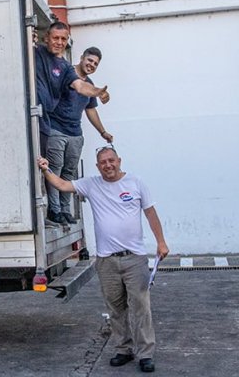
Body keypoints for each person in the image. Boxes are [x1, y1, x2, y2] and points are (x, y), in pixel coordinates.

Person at [37, 147, 169, 373]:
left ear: (119, 161)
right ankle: (123, 349)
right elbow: (62, 185)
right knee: (116, 308)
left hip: (134, 259)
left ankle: (145, 354)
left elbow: (150, 213)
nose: (108, 165)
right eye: (103, 163)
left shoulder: (136, 183)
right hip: (107, 261)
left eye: (111, 161)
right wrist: (46, 169)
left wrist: (161, 242)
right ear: (98, 167)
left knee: (141, 308)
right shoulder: (91, 184)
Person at [45, 47, 114, 225]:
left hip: (75, 133)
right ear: (82, 58)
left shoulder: (90, 83)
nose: (91, 65)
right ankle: (54, 210)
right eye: (89, 60)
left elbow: (90, 111)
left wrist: (103, 132)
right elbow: (77, 87)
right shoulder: (67, 72)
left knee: (69, 171)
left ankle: (65, 210)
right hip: (56, 129)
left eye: (95, 64)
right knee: (56, 167)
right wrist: (98, 91)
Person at [33, 22, 110, 157]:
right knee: (52, 171)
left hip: (57, 128)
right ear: (46, 38)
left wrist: (97, 92)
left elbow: (80, 87)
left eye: (63, 39)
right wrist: (29, 36)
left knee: (66, 174)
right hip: (51, 127)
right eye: (55, 38)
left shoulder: (66, 68)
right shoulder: (36, 50)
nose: (59, 42)